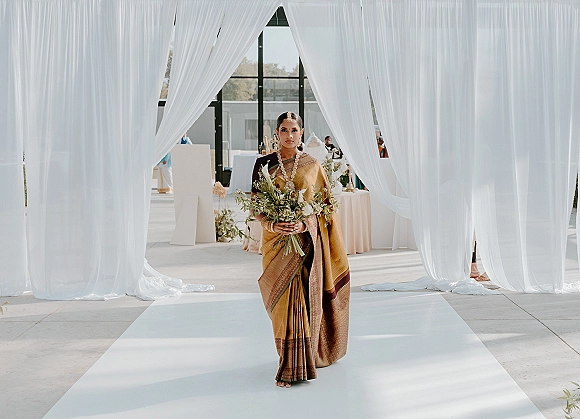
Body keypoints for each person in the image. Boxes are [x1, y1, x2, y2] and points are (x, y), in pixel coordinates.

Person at [251, 111, 350, 388]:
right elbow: (256, 207)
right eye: (284, 130)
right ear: (277, 133)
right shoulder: (263, 164)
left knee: (303, 302)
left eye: (294, 130)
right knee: (282, 304)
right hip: (277, 246)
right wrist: (272, 223)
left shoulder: (313, 165)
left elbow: (326, 206)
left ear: (301, 133)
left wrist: (304, 223)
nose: (289, 135)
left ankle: (294, 366)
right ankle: (288, 356)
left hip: (306, 245)